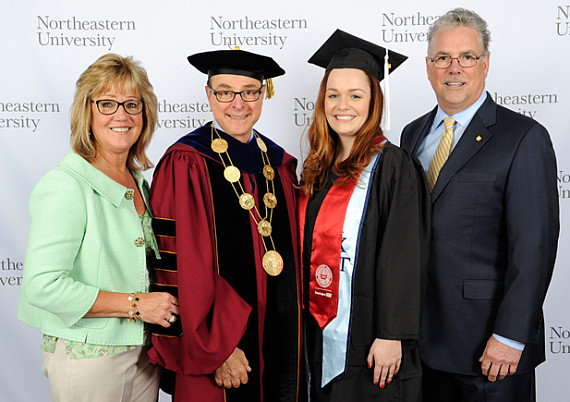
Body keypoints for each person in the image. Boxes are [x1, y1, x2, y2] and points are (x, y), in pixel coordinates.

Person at [400, 8, 559, 402]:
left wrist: (510, 335)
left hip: (489, 349)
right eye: (442, 58)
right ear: (428, 66)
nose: (454, 68)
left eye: (467, 57)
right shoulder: (411, 133)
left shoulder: (523, 137)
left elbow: (534, 246)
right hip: (422, 344)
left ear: (484, 64)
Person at [17, 53, 179, 402]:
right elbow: (42, 286)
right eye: (107, 103)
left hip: (144, 352)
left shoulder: (140, 183)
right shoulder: (66, 185)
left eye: (132, 104)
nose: (121, 115)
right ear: (86, 112)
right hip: (90, 356)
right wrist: (136, 305)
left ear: (144, 113)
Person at [147, 48, 302, 402]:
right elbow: (177, 268)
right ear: (208, 94)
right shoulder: (186, 162)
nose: (238, 103)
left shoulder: (279, 165)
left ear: (264, 94)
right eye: (225, 91)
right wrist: (216, 349)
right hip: (219, 349)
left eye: (249, 91)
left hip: (277, 342)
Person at [299, 29, 430, 402]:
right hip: (317, 332)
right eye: (333, 94)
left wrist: (393, 334)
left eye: (356, 95)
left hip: (371, 339)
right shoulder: (318, 167)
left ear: (375, 102)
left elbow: (405, 255)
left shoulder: (394, 166)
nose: (343, 105)